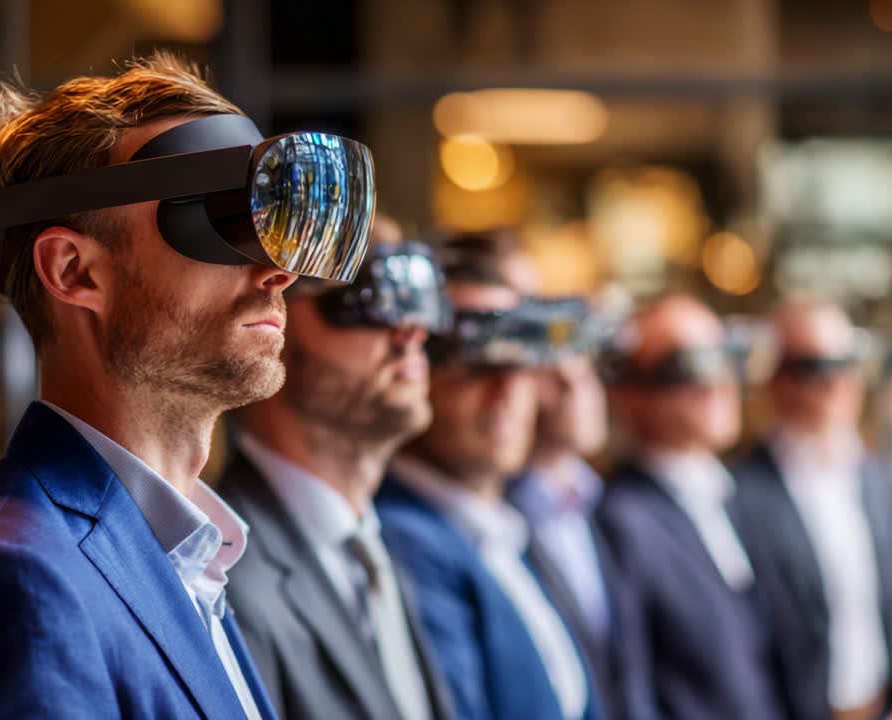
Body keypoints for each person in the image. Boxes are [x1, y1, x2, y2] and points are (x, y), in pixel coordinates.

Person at [0, 53, 376, 718]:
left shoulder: (193, 566)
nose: (277, 274)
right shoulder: (8, 582)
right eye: (219, 222)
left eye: (268, 224)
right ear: (74, 271)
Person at [218, 219, 455, 720]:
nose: (411, 330)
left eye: (417, 297)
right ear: (273, 315)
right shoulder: (224, 577)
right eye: (367, 296)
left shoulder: (380, 550)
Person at [376, 232, 600, 720]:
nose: (506, 384)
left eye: (521, 348)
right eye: (474, 354)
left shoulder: (509, 530)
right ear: (414, 363)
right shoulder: (400, 540)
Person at [597, 293, 787, 720]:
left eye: (725, 356)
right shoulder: (621, 520)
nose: (717, 381)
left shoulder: (736, 494)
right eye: (687, 365)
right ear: (627, 394)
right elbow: (632, 693)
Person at [733, 301, 892, 720]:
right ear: (776, 379)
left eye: (851, 362)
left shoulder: (873, 476)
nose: (840, 381)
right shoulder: (741, 495)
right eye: (817, 367)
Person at [509, 352, 625, 719]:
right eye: (549, 370)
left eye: (587, 369)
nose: (573, 385)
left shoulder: (604, 504)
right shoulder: (494, 519)